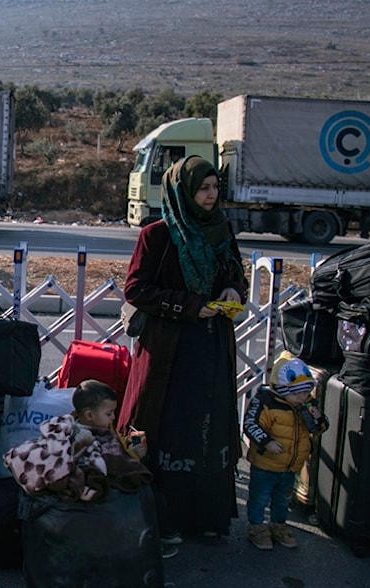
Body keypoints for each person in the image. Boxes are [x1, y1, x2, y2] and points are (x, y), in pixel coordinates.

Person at [116, 155, 248, 549]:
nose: (210, 196)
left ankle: (208, 518)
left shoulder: (221, 231)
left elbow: (236, 275)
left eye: (214, 188)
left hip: (211, 348)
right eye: (202, 188)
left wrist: (231, 292)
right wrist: (191, 306)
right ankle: (166, 519)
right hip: (170, 353)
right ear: (182, 192)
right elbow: (136, 289)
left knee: (208, 434)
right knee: (170, 431)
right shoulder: (157, 235)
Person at [243, 352, 328, 551]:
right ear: (281, 389)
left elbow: (321, 428)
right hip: (266, 464)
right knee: (259, 497)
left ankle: (278, 525)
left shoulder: (305, 405)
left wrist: (315, 416)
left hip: (290, 466)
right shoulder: (266, 402)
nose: (301, 398)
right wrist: (267, 442)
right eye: (296, 393)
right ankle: (256, 527)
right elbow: (250, 424)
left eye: (306, 393)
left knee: (283, 500)